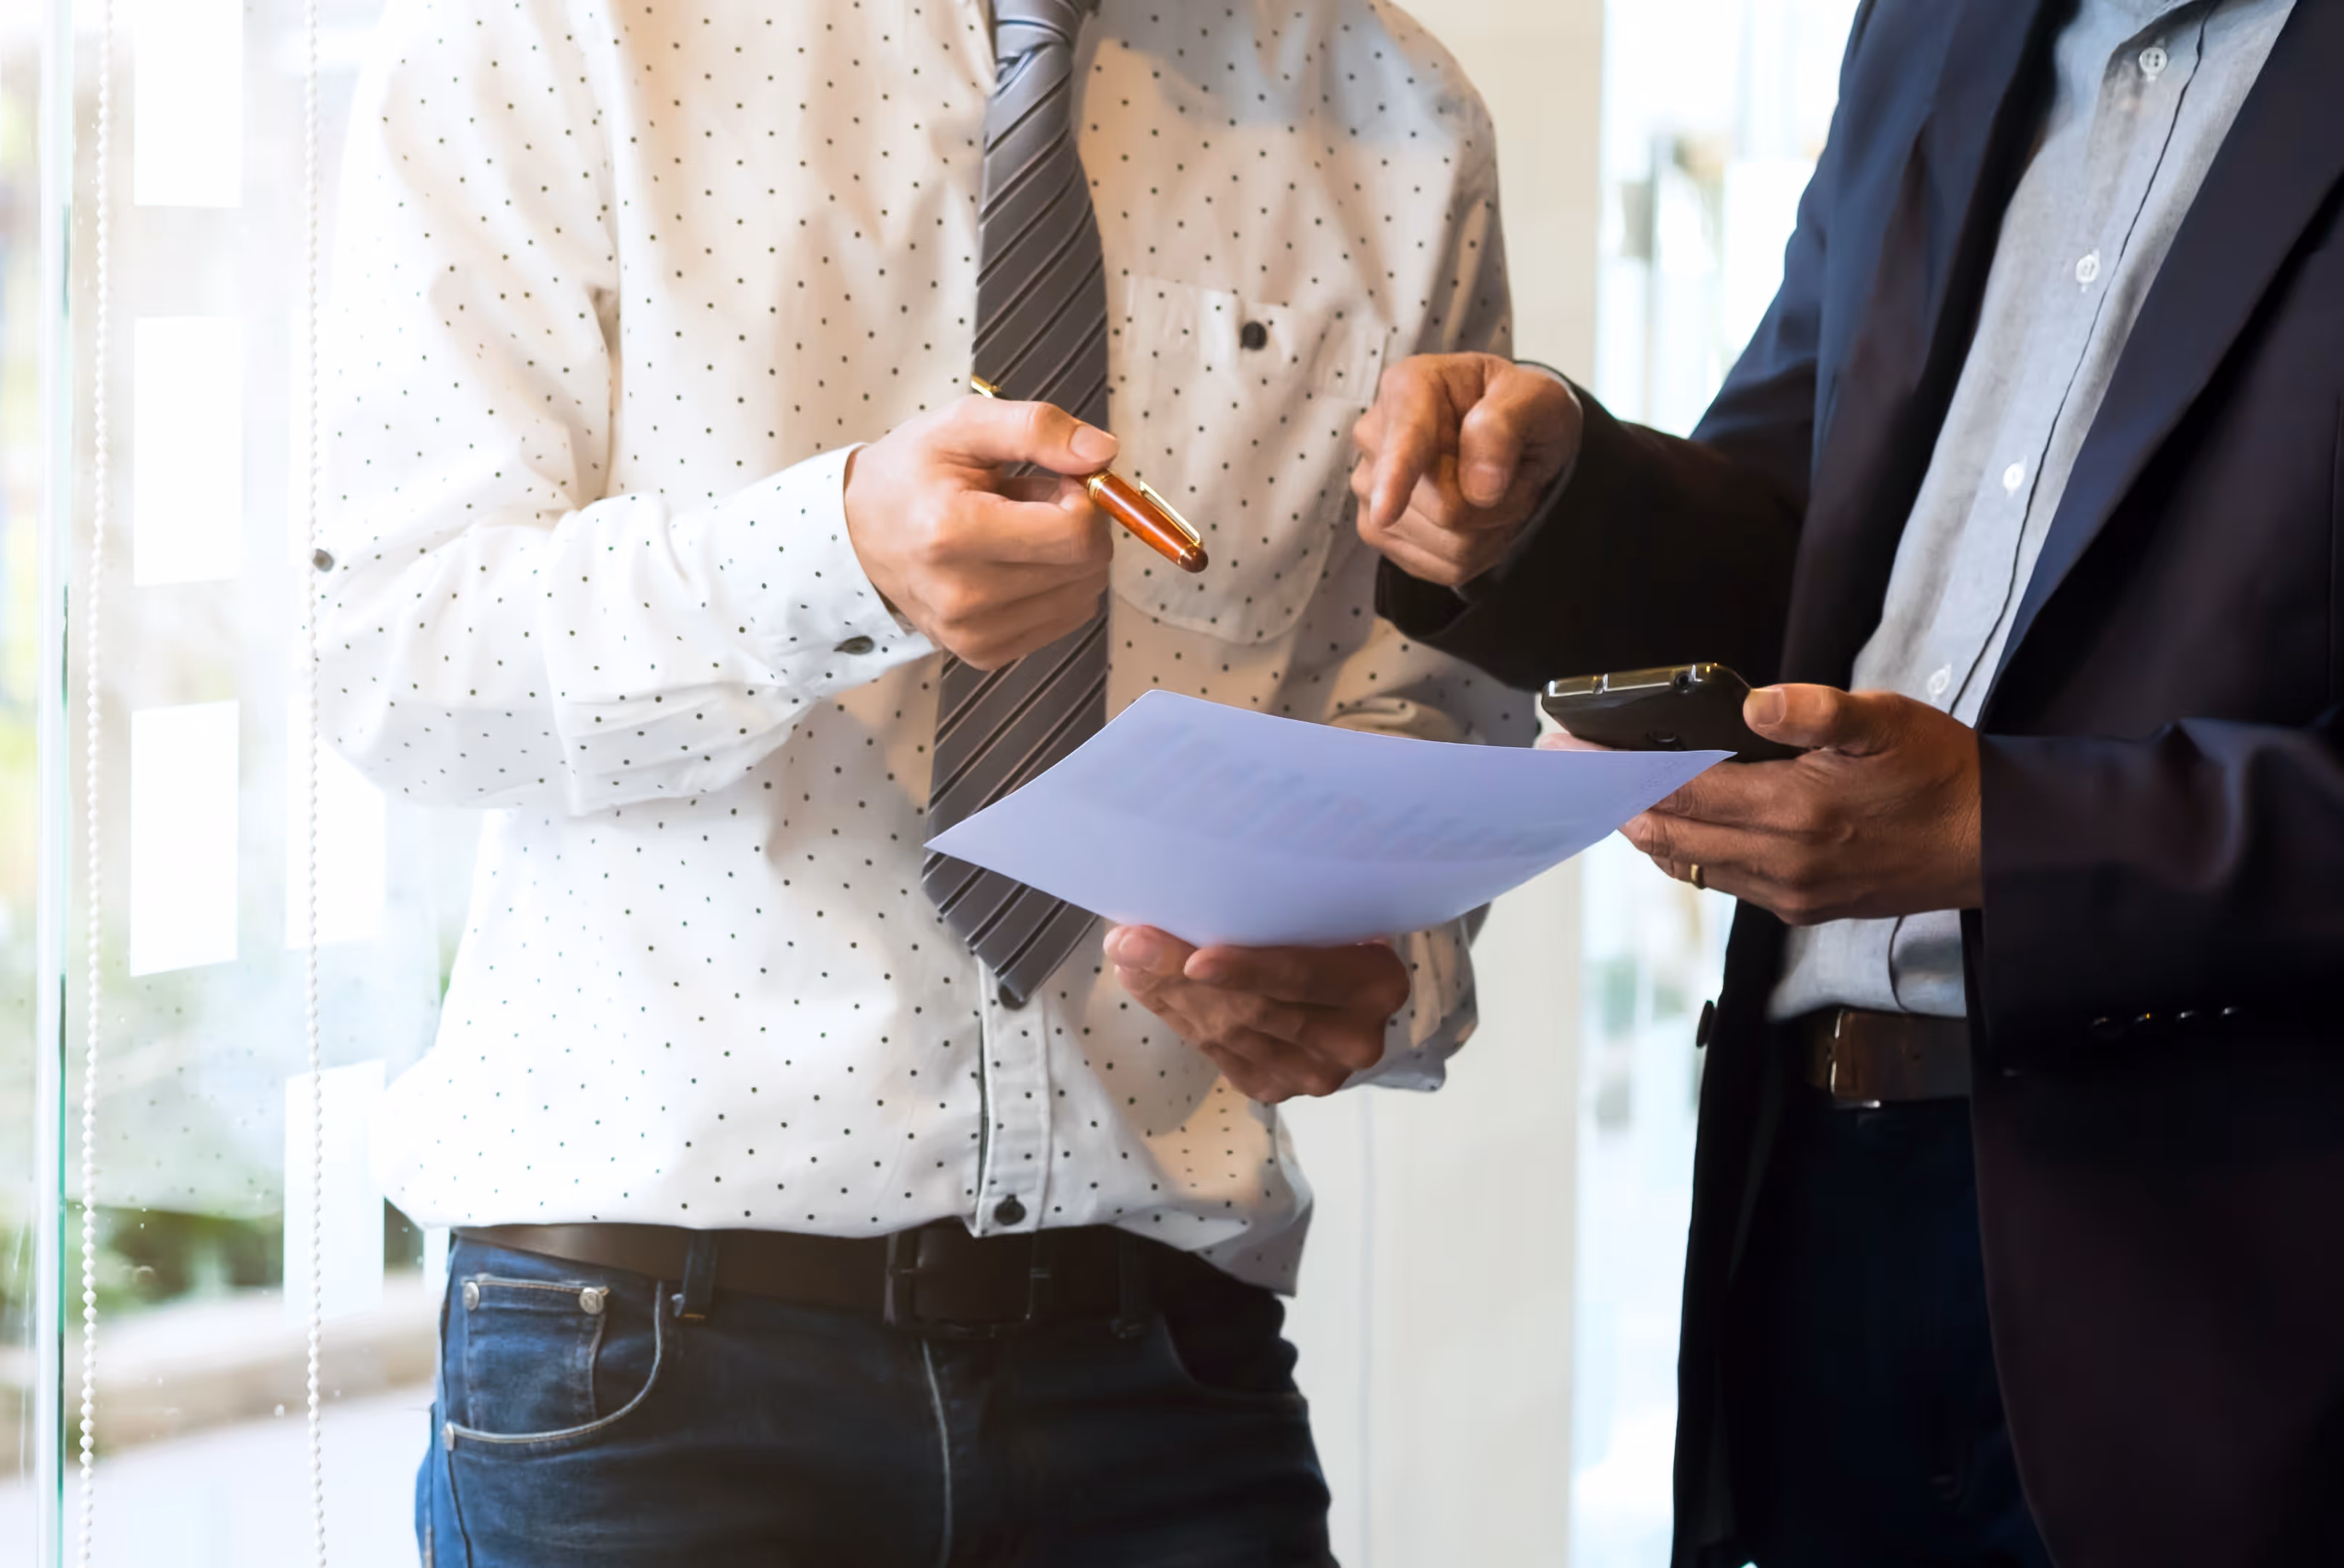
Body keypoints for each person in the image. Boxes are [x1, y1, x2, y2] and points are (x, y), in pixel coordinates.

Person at [320, 0, 1525, 1561]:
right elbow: (394, 655)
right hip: (646, 1374)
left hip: (1168, 1372)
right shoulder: (553, 36)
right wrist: (830, 561)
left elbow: (1415, 700)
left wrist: (1374, 956)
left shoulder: (1396, 110)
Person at [1351, 1, 2343, 1565]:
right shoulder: (1930, 30)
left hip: (2236, 1292)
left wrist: (2011, 836)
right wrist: (1555, 500)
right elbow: (1790, 552)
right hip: (1812, 1204)